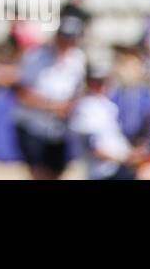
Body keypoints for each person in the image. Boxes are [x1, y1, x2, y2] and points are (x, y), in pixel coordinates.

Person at [12, 14, 87, 180]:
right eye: (64, 38)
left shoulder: (77, 60)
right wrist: (55, 107)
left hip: (58, 129)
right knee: (40, 173)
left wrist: (69, 107)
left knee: (56, 173)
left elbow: (79, 92)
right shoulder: (35, 57)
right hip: (32, 125)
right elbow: (23, 93)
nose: (66, 43)